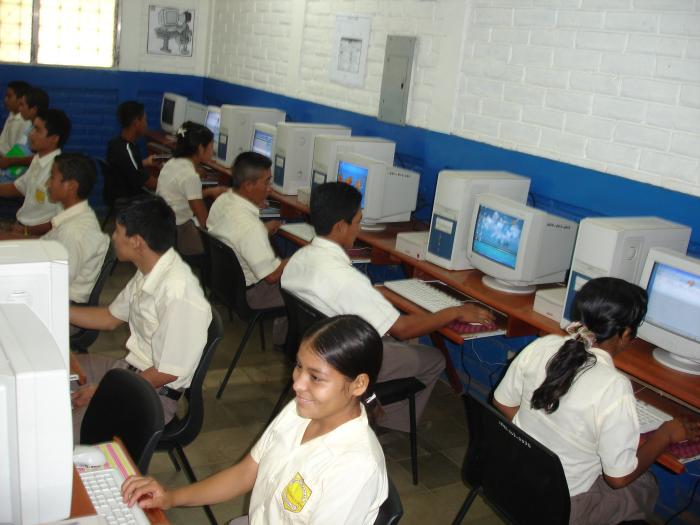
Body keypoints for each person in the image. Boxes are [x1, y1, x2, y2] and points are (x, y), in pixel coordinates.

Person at [122, 315, 389, 525]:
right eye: (299, 366)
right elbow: (245, 473)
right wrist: (170, 497)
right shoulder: (300, 411)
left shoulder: (355, 467)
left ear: (358, 384)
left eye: (316, 377)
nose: (297, 384)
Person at [281, 182, 495, 432]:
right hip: (345, 364)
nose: (359, 228)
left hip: (314, 354)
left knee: (395, 339)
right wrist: (455, 311)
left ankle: (376, 410)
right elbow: (402, 329)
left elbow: (339, 295)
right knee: (434, 359)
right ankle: (387, 422)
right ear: (340, 226)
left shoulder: (299, 258)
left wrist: (374, 295)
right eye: (358, 221)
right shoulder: (347, 280)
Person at [493, 277, 700, 525]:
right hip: (559, 508)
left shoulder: (544, 345)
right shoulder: (614, 386)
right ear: (625, 333)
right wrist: (665, 435)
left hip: (512, 479)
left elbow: (503, 402)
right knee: (645, 486)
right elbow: (618, 479)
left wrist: (542, 435)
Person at [69, 197, 212, 438]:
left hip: (153, 395)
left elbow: (167, 372)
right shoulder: (150, 269)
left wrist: (104, 392)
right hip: (129, 371)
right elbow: (109, 317)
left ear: (136, 241)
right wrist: (57, 311)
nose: (113, 236)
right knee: (56, 373)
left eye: (118, 231)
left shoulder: (179, 294)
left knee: (64, 430)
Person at [207, 151, 287, 345]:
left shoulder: (223, 200)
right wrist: (304, 254)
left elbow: (235, 235)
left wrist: (263, 229)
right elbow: (272, 277)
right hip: (252, 295)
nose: (270, 188)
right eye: (266, 182)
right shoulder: (251, 227)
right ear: (249, 185)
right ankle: (284, 343)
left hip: (227, 286)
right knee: (304, 288)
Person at [42, 152, 109, 303]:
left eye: (52, 177)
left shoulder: (73, 232)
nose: (47, 183)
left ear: (71, 186)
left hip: (63, 305)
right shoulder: (79, 214)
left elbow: (56, 283)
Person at [156, 121, 226, 254]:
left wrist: (210, 191)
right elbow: (204, 221)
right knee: (218, 247)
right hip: (180, 232)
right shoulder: (190, 176)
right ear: (200, 148)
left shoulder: (172, 163)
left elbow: (182, 196)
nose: (213, 151)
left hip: (163, 225)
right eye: (211, 146)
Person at [0, 108, 71, 235]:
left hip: (37, 235)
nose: (30, 134)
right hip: (22, 226)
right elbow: (19, 187)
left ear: (54, 138)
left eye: (37, 130)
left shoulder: (60, 172)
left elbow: (60, 220)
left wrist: (25, 231)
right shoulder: (38, 159)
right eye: (32, 128)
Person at [105, 100, 158, 200]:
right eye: (145, 120)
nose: (146, 124)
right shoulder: (127, 151)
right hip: (129, 201)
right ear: (136, 123)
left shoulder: (115, 143)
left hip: (117, 197)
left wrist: (146, 162)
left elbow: (127, 167)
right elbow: (150, 183)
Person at [0, 87, 51, 174]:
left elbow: (39, 157)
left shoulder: (41, 131)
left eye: (22, 105)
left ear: (34, 109)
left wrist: (10, 161)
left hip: (15, 176)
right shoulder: (30, 127)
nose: (19, 109)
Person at [0, 80, 31, 155]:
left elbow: (18, 153)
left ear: (22, 99)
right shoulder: (12, 114)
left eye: (9, 96)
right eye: (6, 96)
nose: (5, 100)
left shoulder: (25, 122)